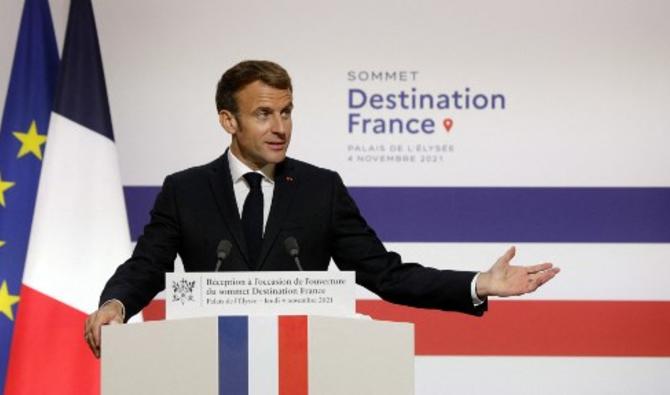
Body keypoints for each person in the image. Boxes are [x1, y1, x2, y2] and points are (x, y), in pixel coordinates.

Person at [84, 60, 559, 358]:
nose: (280, 127)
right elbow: (148, 264)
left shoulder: (319, 189)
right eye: (263, 113)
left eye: (287, 112)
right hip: (208, 365)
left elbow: (385, 274)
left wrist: (478, 284)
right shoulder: (185, 190)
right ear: (228, 120)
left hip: (301, 369)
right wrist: (115, 304)